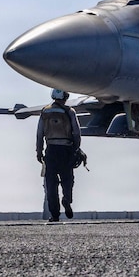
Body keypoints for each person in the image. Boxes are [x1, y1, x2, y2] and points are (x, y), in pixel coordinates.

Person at [36, 89, 81, 222]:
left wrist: (39, 151)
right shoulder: (70, 111)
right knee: (68, 179)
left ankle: (54, 214)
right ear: (65, 97)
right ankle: (67, 199)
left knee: (51, 183)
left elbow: (39, 134)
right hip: (66, 150)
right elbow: (76, 132)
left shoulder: (45, 112)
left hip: (51, 150)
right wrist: (76, 148)